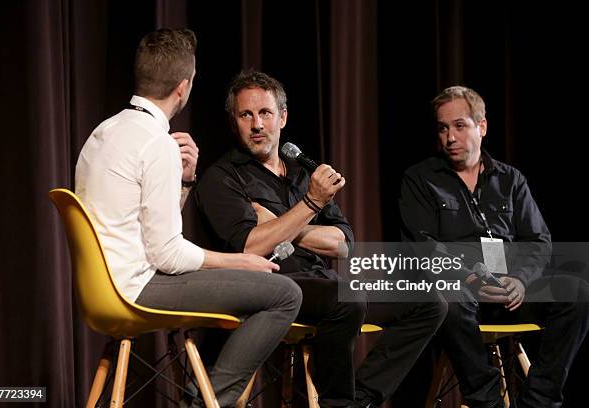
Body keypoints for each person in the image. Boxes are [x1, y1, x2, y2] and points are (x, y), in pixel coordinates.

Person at [74, 29, 302, 408]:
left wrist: (183, 183)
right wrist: (241, 261)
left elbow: (147, 229)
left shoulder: (106, 131)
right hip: (136, 287)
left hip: (104, 286)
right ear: (184, 87)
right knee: (284, 294)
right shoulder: (155, 142)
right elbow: (168, 256)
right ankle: (205, 403)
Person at [194, 69, 446, 408]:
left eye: (265, 113)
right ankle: (337, 403)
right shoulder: (222, 177)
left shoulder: (302, 174)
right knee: (347, 299)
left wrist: (287, 226)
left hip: (323, 282)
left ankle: (361, 399)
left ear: (282, 117)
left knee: (429, 302)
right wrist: (310, 205)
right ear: (233, 121)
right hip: (272, 288)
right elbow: (251, 244)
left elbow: (343, 244)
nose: (257, 125)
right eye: (246, 115)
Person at [399, 85, 589, 408]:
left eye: (459, 126)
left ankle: (539, 400)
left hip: (509, 289)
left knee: (577, 292)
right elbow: (423, 248)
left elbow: (538, 240)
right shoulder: (420, 179)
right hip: (462, 290)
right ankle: (487, 401)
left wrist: (522, 279)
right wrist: (471, 280)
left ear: (481, 127)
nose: (450, 138)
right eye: (443, 128)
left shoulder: (510, 179)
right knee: (449, 300)